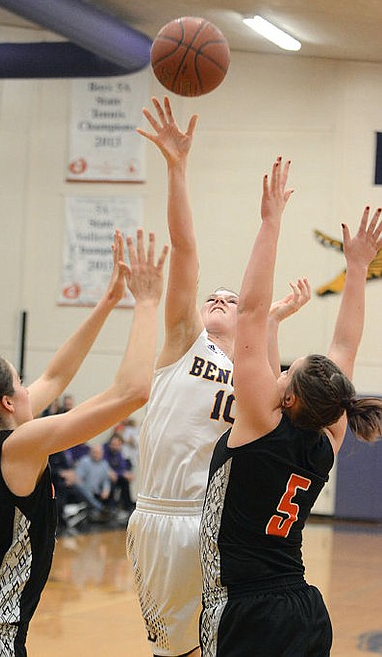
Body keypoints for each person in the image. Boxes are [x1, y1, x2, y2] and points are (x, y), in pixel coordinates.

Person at [126, 97, 311, 657]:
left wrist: (273, 319)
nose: (219, 300)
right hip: (161, 512)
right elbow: (185, 250)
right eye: (214, 296)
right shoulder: (185, 341)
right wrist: (177, 168)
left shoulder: (254, 373)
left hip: (219, 526)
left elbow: (260, 320)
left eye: (231, 300)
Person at [0, 229, 168, 657]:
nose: (31, 388)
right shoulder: (18, 447)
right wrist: (148, 303)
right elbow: (132, 393)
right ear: (7, 402)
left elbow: (56, 376)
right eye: (21, 383)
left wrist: (109, 301)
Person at [199, 158, 382, 656]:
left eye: (285, 371)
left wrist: (271, 222)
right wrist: (358, 268)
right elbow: (344, 347)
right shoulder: (328, 435)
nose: (276, 370)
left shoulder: (259, 421)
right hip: (303, 611)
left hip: (243, 609)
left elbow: (250, 310)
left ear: (289, 396)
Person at [75, 443, 112, 520]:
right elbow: (78, 479)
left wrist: (106, 490)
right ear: (90, 452)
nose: (96, 455)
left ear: (102, 454)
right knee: (81, 488)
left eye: (98, 453)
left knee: (112, 487)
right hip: (85, 490)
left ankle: (102, 510)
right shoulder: (84, 461)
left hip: (97, 491)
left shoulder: (104, 464)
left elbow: (106, 480)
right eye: (94, 452)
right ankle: (100, 508)